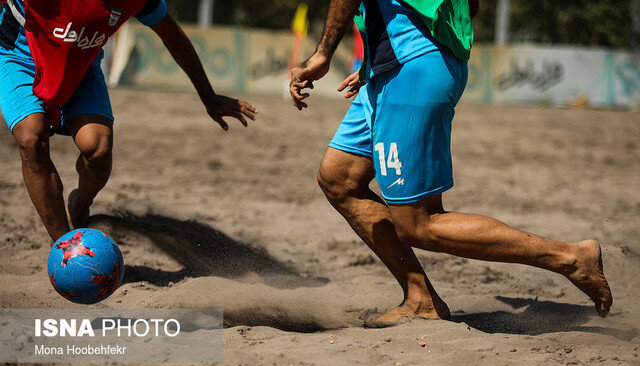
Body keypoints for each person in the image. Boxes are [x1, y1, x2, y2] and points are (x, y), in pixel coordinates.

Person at [289, 0, 612, 321]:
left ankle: (570, 257)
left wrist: (323, 54)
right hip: (392, 68)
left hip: (410, 68)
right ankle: (420, 299)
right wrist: (379, 54)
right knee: (338, 177)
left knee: (418, 224)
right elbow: (468, 7)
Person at [0, 0, 257, 242]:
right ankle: (66, 248)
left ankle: (80, 204)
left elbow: (171, 34)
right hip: (19, 53)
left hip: (80, 62)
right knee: (31, 138)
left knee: (98, 149)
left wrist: (208, 96)